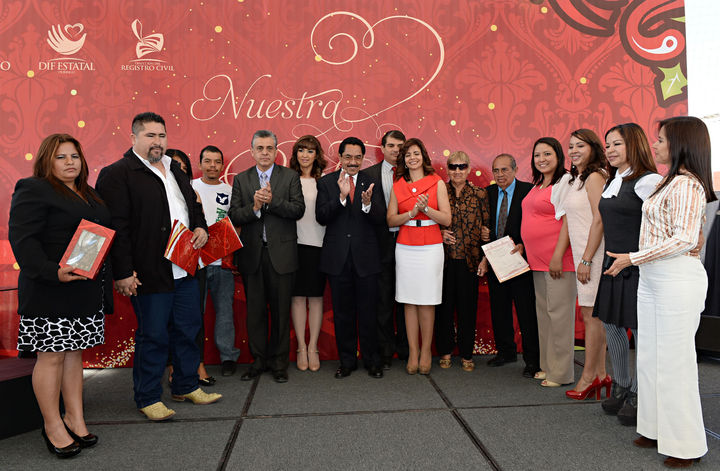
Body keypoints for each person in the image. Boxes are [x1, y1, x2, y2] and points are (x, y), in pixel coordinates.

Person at [605, 116, 716, 467]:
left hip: (676, 281)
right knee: (650, 358)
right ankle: (654, 429)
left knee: (673, 363)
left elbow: (684, 239)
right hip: (653, 279)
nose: (655, 144)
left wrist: (632, 258)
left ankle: (686, 445)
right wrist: (638, 260)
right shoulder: (669, 181)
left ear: (681, 143)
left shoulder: (687, 184)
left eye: (662, 139)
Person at [97, 112, 221, 422]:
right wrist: (122, 272)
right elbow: (116, 228)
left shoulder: (175, 168)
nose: (157, 141)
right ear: (133, 138)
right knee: (153, 336)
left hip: (185, 268)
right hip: (149, 272)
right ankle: (148, 397)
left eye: (162, 135)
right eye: (150, 135)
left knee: (188, 329)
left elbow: (193, 206)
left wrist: (201, 227)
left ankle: (186, 386)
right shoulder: (117, 174)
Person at [9, 134, 111, 457]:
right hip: (49, 288)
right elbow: (23, 241)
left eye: (74, 156)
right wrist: (52, 271)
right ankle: (52, 425)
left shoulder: (88, 193)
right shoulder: (33, 188)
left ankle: (74, 419)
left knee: (74, 354)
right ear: (46, 161)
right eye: (61, 157)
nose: (70, 162)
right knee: (51, 356)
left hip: (83, 289)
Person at [593, 123, 661, 425]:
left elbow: (662, 229)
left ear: (634, 144)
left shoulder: (649, 181)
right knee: (612, 324)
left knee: (640, 330)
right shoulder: (612, 180)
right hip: (613, 266)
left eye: (617, 144)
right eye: (607, 145)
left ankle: (639, 392)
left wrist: (636, 258)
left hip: (637, 266)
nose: (610, 150)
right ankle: (621, 385)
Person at [228, 130, 305, 383]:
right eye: (259, 148)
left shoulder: (290, 176)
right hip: (252, 256)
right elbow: (234, 215)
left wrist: (272, 202)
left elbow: (298, 210)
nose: (264, 153)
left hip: (282, 256)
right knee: (255, 312)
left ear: (276, 151)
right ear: (251, 151)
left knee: (281, 313)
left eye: (269, 148)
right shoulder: (242, 179)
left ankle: (279, 364)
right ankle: (258, 361)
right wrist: (255, 207)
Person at [316, 136, 385, 379]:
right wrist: (341, 198)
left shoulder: (372, 182)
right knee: (342, 314)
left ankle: (372, 361)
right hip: (338, 259)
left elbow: (381, 219)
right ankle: (347, 362)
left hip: (366, 259)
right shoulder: (326, 183)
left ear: (363, 158)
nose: (353, 162)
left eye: (357, 157)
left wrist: (367, 205)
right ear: (340, 157)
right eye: (348, 157)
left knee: (368, 313)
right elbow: (321, 216)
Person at [387, 138, 451, 375]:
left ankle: (425, 351)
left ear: (423, 156)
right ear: (403, 160)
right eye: (407, 155)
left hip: (431, 246)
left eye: (416, 153)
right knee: (409, 300)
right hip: (406, 246)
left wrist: (426, 210)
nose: (412, 158)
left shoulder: (437, 182)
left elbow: (447, 219)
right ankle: (413, 352)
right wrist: (411, 213)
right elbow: (390, 220)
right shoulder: (397, 185)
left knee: (427, 300)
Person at [557, 129, 610, 400]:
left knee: (592, 317)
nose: (574, 150)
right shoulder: (576, 179)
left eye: (580, 145)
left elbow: (600, 220)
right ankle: (600, 374)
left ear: (593, 148)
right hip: (583, 253)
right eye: (571, 146)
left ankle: (589, 377)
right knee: (593, 317)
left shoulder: (595, 176)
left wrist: (587, 259)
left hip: (594, 255)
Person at [521, 137, 576, 387]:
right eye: (537, 155)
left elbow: (568, 222)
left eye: (547, 154)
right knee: (544, 315)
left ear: (558, 156)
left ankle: (561, 373)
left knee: (560, 317)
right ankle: (547, 366)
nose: (541, 159)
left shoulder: (565, 182)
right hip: (537, 261)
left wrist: (557, 256)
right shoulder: (538, 184)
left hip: (558, 261)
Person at [480, 154, 540, 378]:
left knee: (526, 312)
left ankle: (533, 360)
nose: (500, 175)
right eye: (496, 170)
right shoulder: (487, 193)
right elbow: (483, 222)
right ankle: (506, 352)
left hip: (521, 261)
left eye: (504, 170)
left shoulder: (529, 191)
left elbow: (537, 224)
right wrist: (484, 233)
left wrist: (524, 243)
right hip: (496, 260)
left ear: (515, 170)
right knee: (499, 309)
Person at [165, 147, 215, 385]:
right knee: (167, 320)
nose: (179, 171)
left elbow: (200, 223)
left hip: (193, 263)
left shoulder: (192, 193)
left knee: (194, 317)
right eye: (174, 167)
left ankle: (198, 365)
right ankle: (172, 367)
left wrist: (201, 229)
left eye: (183, 168)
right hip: (164, 265)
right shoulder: (158, 191)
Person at [437, 151, 489, 371]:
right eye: (453, 166)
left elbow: (487, 228)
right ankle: (445, 351)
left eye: (462, 166)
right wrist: (439, 233)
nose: (457, 171)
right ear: (447, 169)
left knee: (468, 309)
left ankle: (467, 353)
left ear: (468, 169)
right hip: (443, 260)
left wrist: (485, 259)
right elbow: (429, 221)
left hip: (470, 260)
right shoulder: (439, 191)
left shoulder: (479, 194)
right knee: (444, 309)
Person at [192, 145, 241, 377]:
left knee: (225, 312)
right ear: (199, 164)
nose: (212, 166)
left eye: (217, 162)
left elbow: (237, 225)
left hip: (222, 263)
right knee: (194, 314)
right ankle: (195, 359)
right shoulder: (190, 188)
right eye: (208, 161)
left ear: (222, 165)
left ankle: (228, 357)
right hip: (195, 263)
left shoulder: (230, 191)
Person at [363, 130, 409, 369]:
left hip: (409, 243)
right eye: (391, 145)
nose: (396, 150)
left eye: (400, 146)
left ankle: (406, 349)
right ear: (382, 148)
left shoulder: (413, 173)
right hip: (379, 244)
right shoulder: (368, 174)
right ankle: (385, 350)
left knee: (407, 298)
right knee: (382, 300)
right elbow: (362, 212)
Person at [289, 135, 327, 372]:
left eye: (310, 151)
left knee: (315, 298)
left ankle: (313, 347)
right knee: (297, 298)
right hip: (293, 246)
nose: (305, 155)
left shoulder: (324, 182)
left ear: (317, 155)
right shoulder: (287, 180)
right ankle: (301, 348)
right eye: (301, 150)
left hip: (319, 244)